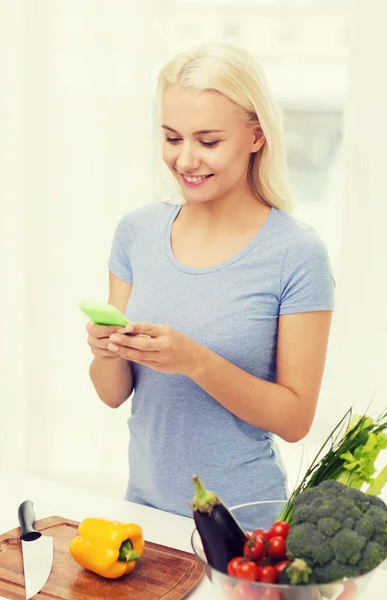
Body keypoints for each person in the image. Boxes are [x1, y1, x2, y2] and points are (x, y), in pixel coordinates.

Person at [86, 42, 335, 528]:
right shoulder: (136, 232)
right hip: (145, 517)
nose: (185, 160)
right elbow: (112, 394)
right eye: (172, 138)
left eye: (208, 141)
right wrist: (105, 351)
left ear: (256, 136)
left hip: (245, 527)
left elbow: (295, 419)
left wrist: (196, 361)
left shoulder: (297, 254)